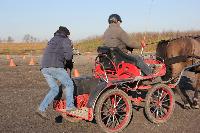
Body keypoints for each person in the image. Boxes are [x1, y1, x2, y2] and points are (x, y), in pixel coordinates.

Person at [36, 26, 77, 120]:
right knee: (69, 84)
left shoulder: (52, 39)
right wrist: (70, 52)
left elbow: (53, 52)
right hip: (55, 66)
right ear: (66, 34)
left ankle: (41, 109)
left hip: (44, 67)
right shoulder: (65, 40)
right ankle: (70, 107)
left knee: (54, 89)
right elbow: (68, 56)